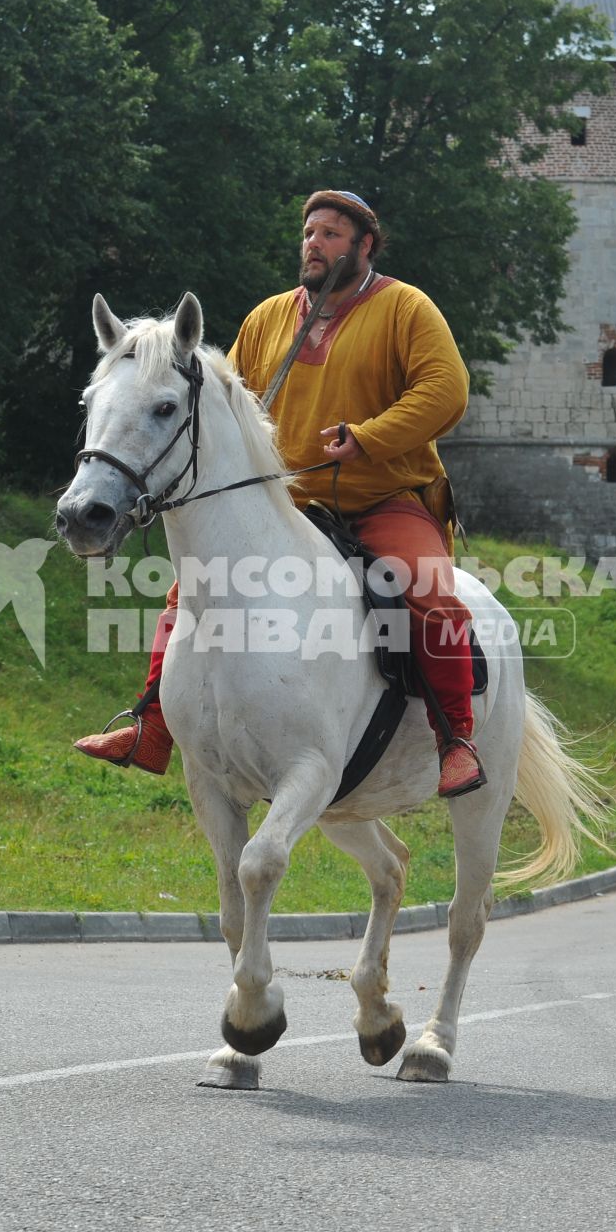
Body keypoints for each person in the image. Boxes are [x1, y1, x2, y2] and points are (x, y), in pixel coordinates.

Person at [74, 189, 485, 797]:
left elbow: (446, 392)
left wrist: (368, 438)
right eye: (309, 233)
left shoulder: (406, 308)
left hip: (385, 495)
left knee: (427, 591)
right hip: (289, 501)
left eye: (330, 234)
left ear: (364, 245)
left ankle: (456, 738)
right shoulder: (268, 317)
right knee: (187, 592)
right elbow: (226, 406)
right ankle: (153, 725)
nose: (314, 244)